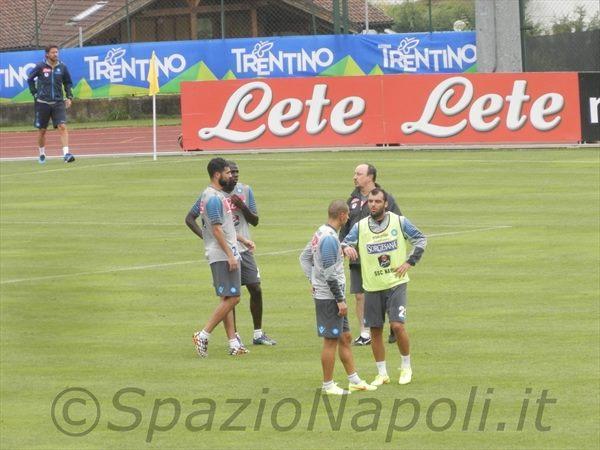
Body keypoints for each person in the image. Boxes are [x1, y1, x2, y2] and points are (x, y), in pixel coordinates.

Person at [342, 188, 427, 385]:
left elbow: (421, 239)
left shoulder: (399, 221)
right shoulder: (361, 226)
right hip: (372, 285)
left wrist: (410, 262)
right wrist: (346, 248)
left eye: (377, 201)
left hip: (396, 282)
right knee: (375, 330)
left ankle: (406, 367)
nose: (373, 205)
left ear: (385, 204)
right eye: (371, 201)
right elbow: (345, 243)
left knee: (397, 326)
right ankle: (382, 373)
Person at [300, 200, 377, 395]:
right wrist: (339, 299)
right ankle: (328, 385)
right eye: (347, 215)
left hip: (330, 294)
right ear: (342, 215)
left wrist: (313, 280)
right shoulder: (328, 238)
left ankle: (354, 380)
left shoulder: (321, 232)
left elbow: (304, 258)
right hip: (330, 298)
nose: (348, 218)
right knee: (330, 341)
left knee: (345, 337)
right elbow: (328, 272)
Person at [185, 157, 252, 357]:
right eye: (227, 172)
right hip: (223, 254)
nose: (231, 176)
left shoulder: (209, 195)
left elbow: (219, 226)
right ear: (217, 175)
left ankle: (233, 344)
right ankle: (203, 334)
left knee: (227, 297)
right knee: (234, 298)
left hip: (223, 251)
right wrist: (230, 254)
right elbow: (216, 229)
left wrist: (242, 240)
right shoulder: (214, 198)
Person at [339, 164, 402, 346]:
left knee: (385, 291)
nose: (354, 177)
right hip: (357, 256)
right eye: (355, 173)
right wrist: (343, 245)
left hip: (379, 255)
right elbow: (345, 227)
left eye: (359, 174)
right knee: (359, 295)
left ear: (370, 177)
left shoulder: (385, 198)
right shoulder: (352, 200)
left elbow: (397, 222)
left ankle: (393, 322)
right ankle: (365, 332)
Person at [222, 161, 277, 345]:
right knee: (231, 295)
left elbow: (255, 221)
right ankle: (235, 335)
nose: (235, 175)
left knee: (255, 287)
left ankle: (258, 334)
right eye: (231, 172)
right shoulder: (216, 194)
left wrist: (242, 206)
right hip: (227, 251)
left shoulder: (245, 190)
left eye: (237, 172)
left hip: (245, 250)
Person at [27, 45, 75, 164]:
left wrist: (69, 97)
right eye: (53, 52)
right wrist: (34, 93)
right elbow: (30, 79)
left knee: (62, 126)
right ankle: (42, 153)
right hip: (42, 103)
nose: (55, 54)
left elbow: (68, 83)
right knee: (42, 131)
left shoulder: (62, 67)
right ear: (47, 54)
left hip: (58, 102)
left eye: (57, 52)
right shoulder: (40, 66)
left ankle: (66, 154)